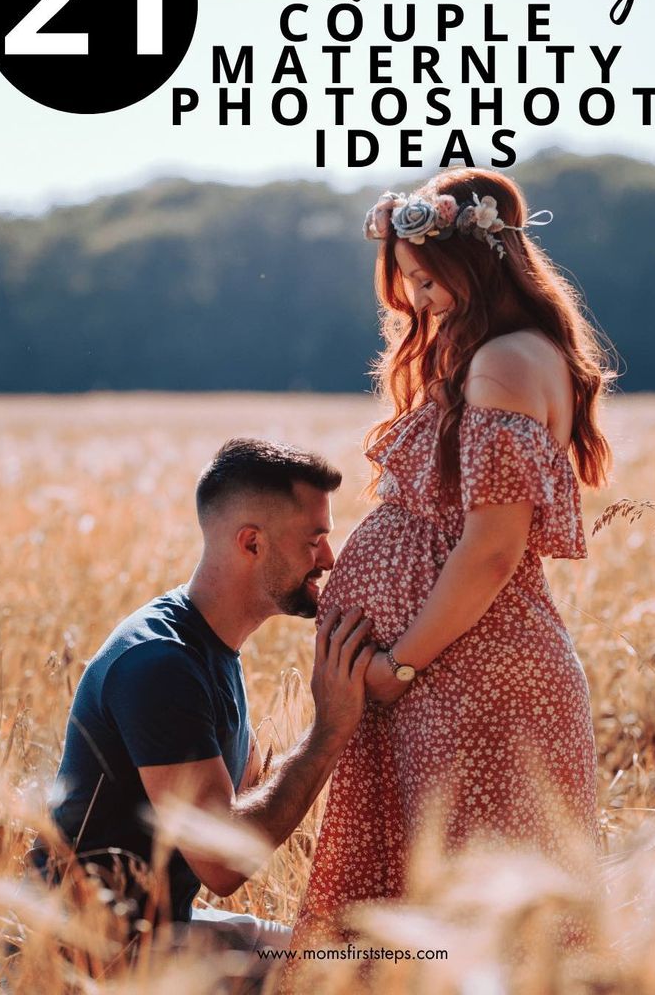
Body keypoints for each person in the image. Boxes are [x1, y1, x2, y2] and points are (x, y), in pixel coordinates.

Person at [290, 167, 614, 950]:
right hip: (452, 676)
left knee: (470, 922)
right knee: (450, 916)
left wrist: (397, 667)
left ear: (477, 264)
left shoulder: (502, 364)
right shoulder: (510, 352)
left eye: (426, 282)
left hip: (464, 679)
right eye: (407, 285)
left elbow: (492, 550)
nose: (420, 303)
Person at [30, 438, 376, 961]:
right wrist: (330, 729)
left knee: (358, 961)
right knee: (344, 976)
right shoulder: (160, 665)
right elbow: (222, 864)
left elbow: (243, 797)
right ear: (252, 543)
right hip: (88, 955)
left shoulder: (208, 648)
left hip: (157, 931)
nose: (329, 558)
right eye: (314, 540)